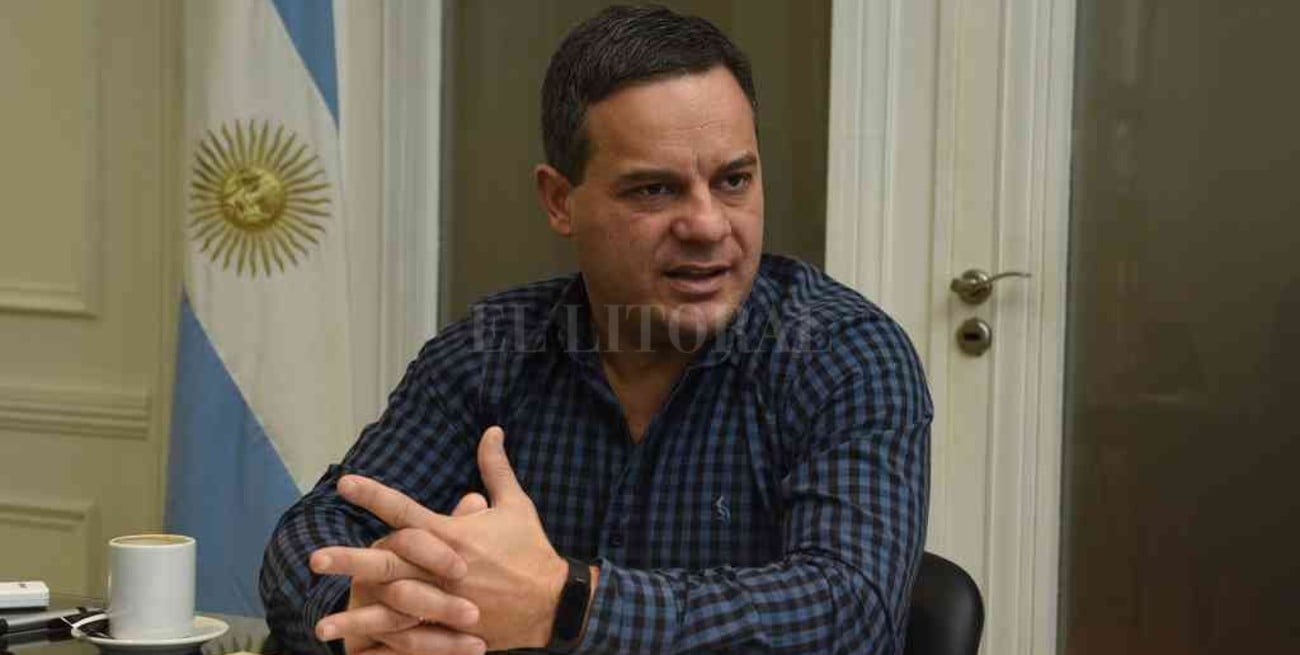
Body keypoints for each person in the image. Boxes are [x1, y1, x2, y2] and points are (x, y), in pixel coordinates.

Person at [260, 5, 932, 655]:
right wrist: (367, 615)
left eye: (733, 181)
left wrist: (566, 602)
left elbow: (851, 613)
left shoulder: (845, 354)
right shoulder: (494, 348)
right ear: (560, 201)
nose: (707, 225)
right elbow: (311, 536)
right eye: (655, 190)